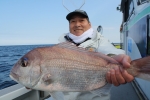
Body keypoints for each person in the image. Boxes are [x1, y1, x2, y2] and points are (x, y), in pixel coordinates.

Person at [49, 9, 134, 100]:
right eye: (73, 21)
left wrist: (115, 59)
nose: (77, 24)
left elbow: (109, 50)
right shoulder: (61, 45)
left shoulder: (99, 40)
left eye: (81, 20)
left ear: (89, 24)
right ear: (69, 25)